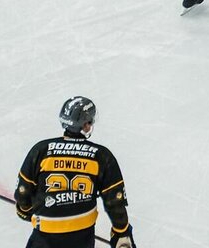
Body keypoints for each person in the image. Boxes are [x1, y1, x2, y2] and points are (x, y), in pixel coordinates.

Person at [14, 97, 135, 248]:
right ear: (86, 125)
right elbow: (114, 201)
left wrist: (24, 209)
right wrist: (121, 232)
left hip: (44, 236)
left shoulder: (41, 150)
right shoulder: (101, 156)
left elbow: (23, 191)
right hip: (81, 237)